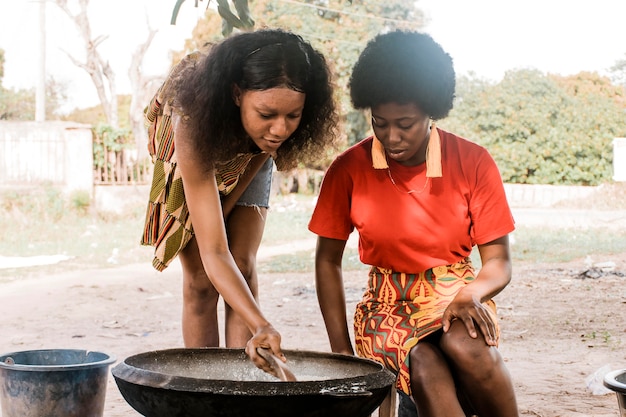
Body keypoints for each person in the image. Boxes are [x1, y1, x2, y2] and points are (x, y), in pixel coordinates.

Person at [309, 30, 519, 417]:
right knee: (423, 361)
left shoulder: (472, 161)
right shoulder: (348, 170)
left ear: (431, 111)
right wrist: (340, 350)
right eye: (379, 122)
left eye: (405, 123)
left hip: (457, 292)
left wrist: (471, 294)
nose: (392, 137)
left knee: (462, 344)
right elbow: (326, 261)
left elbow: (499, 262)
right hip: (386, 307)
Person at [141, 28, 337, 374]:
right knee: (201, 280)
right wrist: (262, 324)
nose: (281, 129)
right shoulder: (191, 118)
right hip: (195, 148)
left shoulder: (272, 135)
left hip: (249, 151)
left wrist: (258, 325)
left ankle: (242, 386)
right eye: (267, 114)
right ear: (236, 94)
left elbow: (254, 162)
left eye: (293, 116)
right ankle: (207, 386)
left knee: (242, 268)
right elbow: (213, 251)